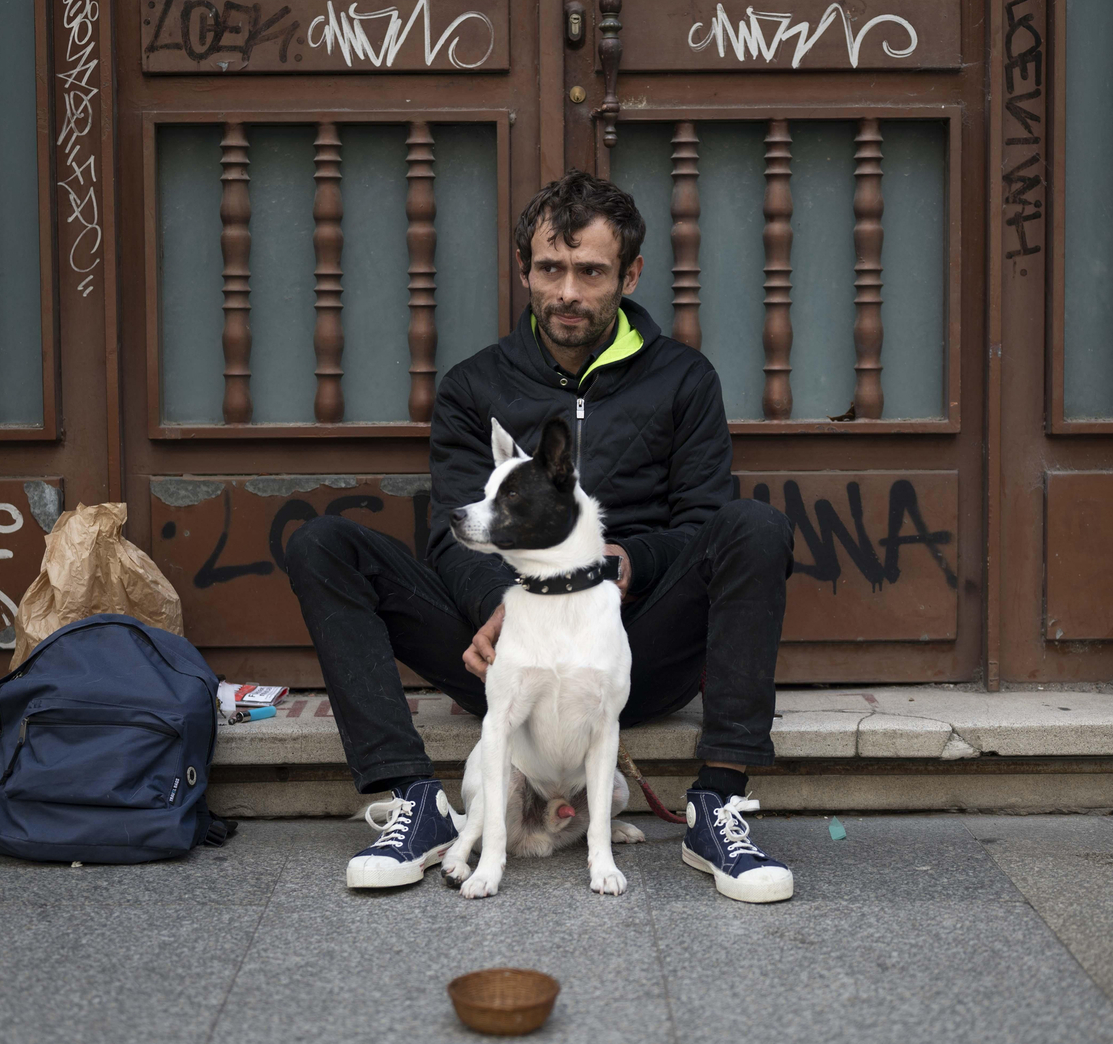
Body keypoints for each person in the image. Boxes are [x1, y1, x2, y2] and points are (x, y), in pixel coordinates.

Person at [284, 171, 795, 903]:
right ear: (524, 269)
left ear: (630, 273)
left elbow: (701, 525)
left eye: (590, 272)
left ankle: (716, 803)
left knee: (754, 525)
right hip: (503, 654)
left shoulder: (684, 380)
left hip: (631, 647)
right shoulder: (473, 386)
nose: (567, 292)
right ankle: (413, 800)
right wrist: (499, 602)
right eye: (551, 269)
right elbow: (452, 532)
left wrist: (625, 560)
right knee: (324, 544)